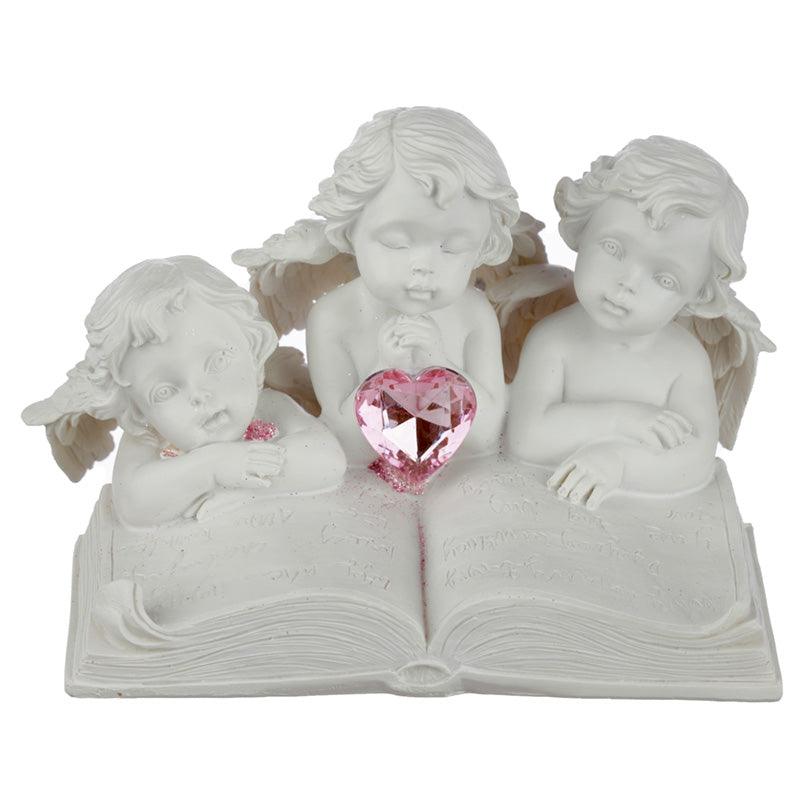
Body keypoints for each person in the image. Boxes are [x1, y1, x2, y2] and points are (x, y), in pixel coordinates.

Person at [506, 136, 774, 510]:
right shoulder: (554, 340)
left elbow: (696, 458)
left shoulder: (683, 359)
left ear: (697, 293)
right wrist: (621, 421)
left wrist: (618, 464)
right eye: (613, 248)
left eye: (664, 279)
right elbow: (525, 438)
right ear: (583, 229)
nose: (627, 283)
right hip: (541, 502)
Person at [23, 256, 346, 526]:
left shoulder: (270, 406)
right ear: (137, 409)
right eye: (164, 391)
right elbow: (134, 503)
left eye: (217, 361)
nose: (199, 394)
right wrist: (212, 467)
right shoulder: (152, 436)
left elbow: (327, 459)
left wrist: (246, 489)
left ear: (251, 347)